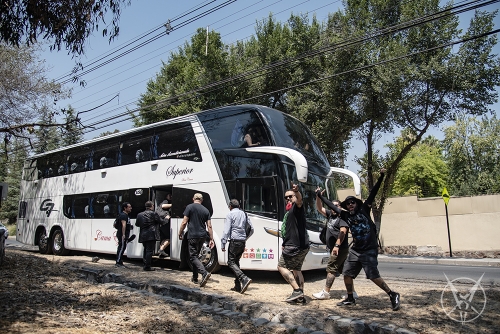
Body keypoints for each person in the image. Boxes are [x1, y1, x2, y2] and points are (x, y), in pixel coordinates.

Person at [316, 169, 401, 311]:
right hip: (356, 250)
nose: (350, 205)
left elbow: (373, 192)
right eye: (348, 203)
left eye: (353, 202)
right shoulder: (345, 216)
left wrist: (381, 176)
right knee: (347, 274)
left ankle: (392, 294)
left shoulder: (364, 210)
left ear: (357, 204)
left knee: (373, 276)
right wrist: (319, 196)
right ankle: (350, 297)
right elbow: (330, 206)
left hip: (369, 249)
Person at [312, 193, 351, 300]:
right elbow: (319, 208)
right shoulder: (330, 215)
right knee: (345, 271)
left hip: (339, 249)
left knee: (331, 269)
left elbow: (342, 232)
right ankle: (352, 293)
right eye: (332, 205)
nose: (334, 207)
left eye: (336, 206)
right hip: (335, 248)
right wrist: (318, 197)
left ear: (340, 207)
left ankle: (325, 292)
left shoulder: (342, 218)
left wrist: (337, 246)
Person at [278, 183, 310, 303]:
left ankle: (297, 290)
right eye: (286, 197)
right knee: (297, 269)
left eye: (290, 196)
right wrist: (284, 241)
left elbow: (300, 200)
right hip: (302, 246)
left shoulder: (297, 208)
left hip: (294, 246)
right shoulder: (290, 212)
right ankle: (300, 297)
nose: (288, 199)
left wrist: (297, 191)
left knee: (281, 267)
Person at [178, 193, 214, 287]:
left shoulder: (189, 207)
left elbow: (184, 222)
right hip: (202, 236)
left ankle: (204, 273)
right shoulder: (206, 210)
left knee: (193, 257)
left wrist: (180, 232)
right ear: (202, 200)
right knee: (196, 256)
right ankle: (195, 277)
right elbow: (209, 226)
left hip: (192, 235)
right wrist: (211, 238)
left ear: (193, 198)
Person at [221, 199, 254, 294]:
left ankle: (244, 278)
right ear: (238, 206)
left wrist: (223, 243)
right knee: (236, 262)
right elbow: (252, 229)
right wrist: (244, 238)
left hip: (234, 241)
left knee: (230, 262)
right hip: (242, 242)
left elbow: (226, 231)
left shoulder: (230, 214)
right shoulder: (244, 214)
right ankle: (237, 286)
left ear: (230, 206)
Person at [135, 201, 166, 271]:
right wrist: (166, 218)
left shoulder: (139, 214)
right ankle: (147, 266)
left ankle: (145, 264)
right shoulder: (154, 214)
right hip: (151, 234)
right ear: (152, 206)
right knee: (149, 251)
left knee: (145, 250)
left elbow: (137, 224)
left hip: (143, 234)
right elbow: (162, 222)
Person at [116, 202, 132, 268]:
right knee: (121, 248)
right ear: (125, 208)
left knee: (122, 247)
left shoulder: (125, 215)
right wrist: (123, 234)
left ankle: (120, 261)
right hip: (122, 234)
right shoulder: (123, 215)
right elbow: (123, 225)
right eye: (129, 207)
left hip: (123, 234)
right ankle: (118, 262)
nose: (131, 208)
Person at [156, 193, 172, 258]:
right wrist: (173, 204)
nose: (171, 196)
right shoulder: (165, 201)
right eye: (169, 195)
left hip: (162, 224)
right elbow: (163, 206)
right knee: (170, 238)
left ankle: (161, 251)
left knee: (164, 238)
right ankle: (161, 249)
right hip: (165, 223)